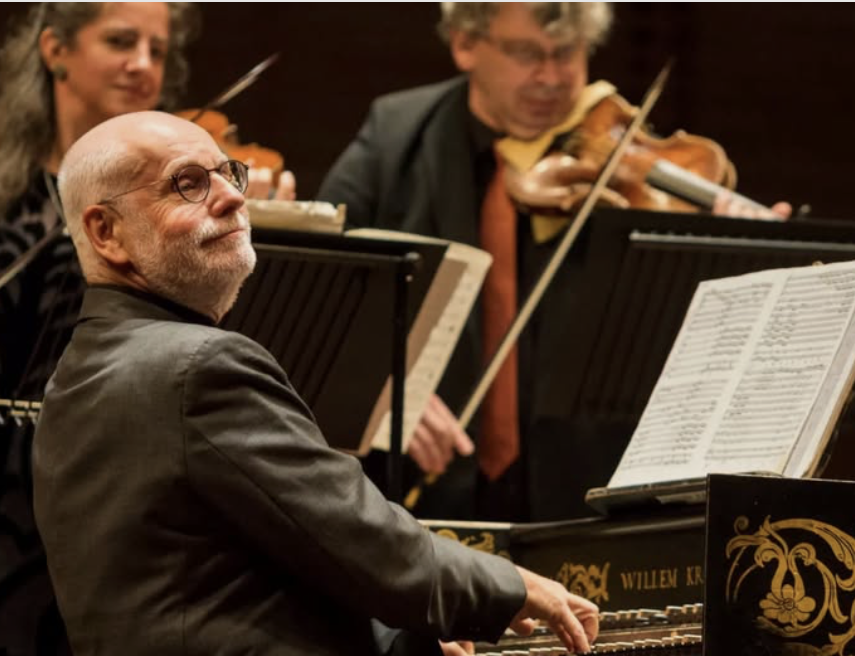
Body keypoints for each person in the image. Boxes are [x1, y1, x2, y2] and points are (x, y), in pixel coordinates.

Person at [32, 109, 600, 656]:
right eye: (187, 183)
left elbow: (229, 585)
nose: (232, 197)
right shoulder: (199, 367)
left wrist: (401, 645)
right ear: (106, 231)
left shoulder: (72, 380)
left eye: (228, 173)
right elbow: (360, 540)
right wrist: (513, 586)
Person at [317, 2, 791, 522]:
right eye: (526, 54)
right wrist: (380, 387)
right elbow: (322, 287)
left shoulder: (620, 158)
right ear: (465, 44)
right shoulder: (395, 137)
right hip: (423, 492)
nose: (551, 78)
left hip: (586, 490)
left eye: (567, 53)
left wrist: (740, 249)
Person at [0, 4, 289, 652]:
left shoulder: (179, 204)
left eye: (158, 50)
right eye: (122, 42)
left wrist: (255, 233)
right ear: (55, 50)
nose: (143, 66)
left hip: (116, 495)